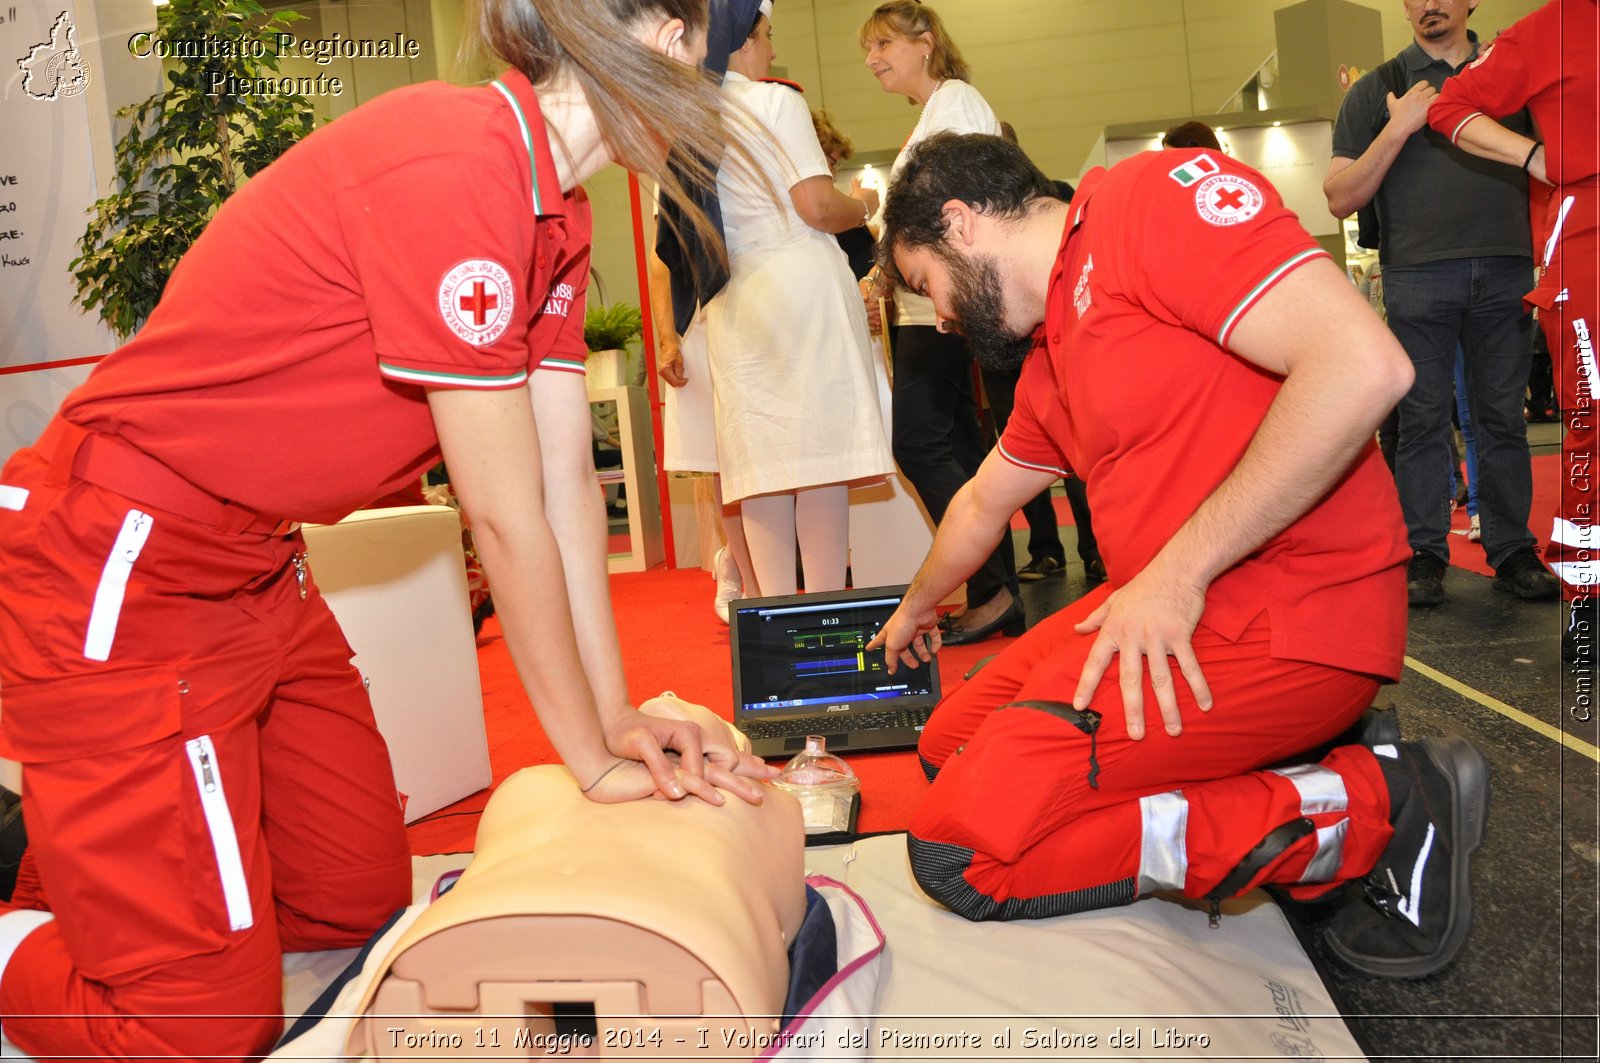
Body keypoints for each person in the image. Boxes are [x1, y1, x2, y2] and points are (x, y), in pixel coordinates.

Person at [0, 1, 776, 1057]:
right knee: (199, 1027)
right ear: (666, 38)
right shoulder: (457, 161)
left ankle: (104, 864)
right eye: (718, 65)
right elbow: (500, 517)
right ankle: (32, 930)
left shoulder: (559, 206)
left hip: (260, 565)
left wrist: (616, 713)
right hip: (121, 563)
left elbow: (561, 486)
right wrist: (589, 762)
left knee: (351, 905)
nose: (712, 101)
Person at [869, 131, 1490, 979]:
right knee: (950, 747)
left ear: (961, 222)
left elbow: (1363, 363)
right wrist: (911, 611)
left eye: (924, 282)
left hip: (1287, 612)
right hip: (1183, 613)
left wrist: (1177, 570)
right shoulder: (1055, 347)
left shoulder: (1143, 203)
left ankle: (1372, 807)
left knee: (962, 853)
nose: (938, 313)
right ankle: (1276, 761)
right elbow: (981, 501)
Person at [1324, 0, 1555, 609]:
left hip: (1508, 268)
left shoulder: (1511, 72)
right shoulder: (1378, 89)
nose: (1428, 4)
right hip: (1418, 275)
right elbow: (1339, 198)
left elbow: (1557, 160)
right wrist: (1397, 128)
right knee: (1422, 423)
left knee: (1501, 419)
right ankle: (1422, 551)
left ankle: (1512, 549)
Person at [701, 3, 893, 598]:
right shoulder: (773, 101)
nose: (771, 49)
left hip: (734, 298)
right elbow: (815, 205)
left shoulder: (685, 116)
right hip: (800, 289)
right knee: (819, 462)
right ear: (743, 41)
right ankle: (828, 613)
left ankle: (776, 618)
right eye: (767, 36)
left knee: (760, 468)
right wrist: (863, 202)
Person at [1426, 0, 1598, 664]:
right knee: (1591, 423)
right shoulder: (1552, 27)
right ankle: (1590, 603)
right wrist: (1532, 155)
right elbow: (1451, 107)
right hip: (1589, 242)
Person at [859, 0, 1021, 645]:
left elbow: (948, 211)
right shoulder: (940, 108)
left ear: (924, 42)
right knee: (953, 444)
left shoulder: (955, 104)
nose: (872, 60)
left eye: (881, 46)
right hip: (928, 303)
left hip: (942, 306)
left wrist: (883, 273)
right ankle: (994, 589)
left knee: (920, 441)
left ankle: (992, 587)